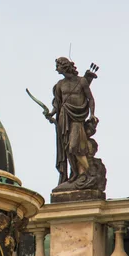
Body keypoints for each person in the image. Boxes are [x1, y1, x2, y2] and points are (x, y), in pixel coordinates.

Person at [47, 58, 98, 188]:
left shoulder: (82, 81)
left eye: (57, 66)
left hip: (77, 117)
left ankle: (88, 173)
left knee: (74, 146)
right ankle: (75, 174)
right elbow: (58, 103)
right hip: (64, 118)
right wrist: (51, 114)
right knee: (67, 148)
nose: (56, 68)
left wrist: (92, 114)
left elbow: (90, 99)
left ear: (64, 66)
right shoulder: (59, 84)